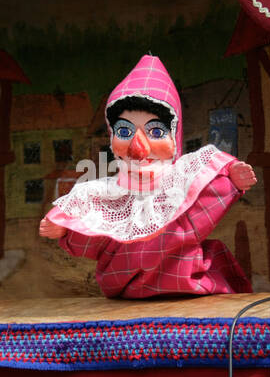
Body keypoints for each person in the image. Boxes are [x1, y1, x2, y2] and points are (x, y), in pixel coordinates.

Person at [39, 54, 256, 298]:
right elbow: (92, 235)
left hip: (183, 281)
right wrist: (65, 227)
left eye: (155, 131)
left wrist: (230, 178)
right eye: (124, 131)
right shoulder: (108, 194)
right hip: (121, 286)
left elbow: (209, 188)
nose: (138, 146)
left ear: (174, 134)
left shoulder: (181, 184)